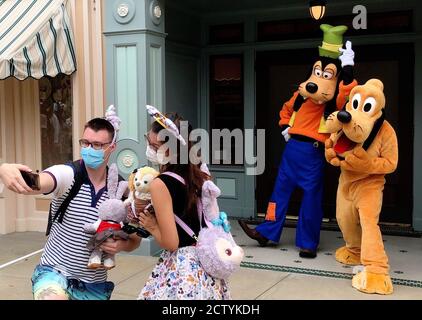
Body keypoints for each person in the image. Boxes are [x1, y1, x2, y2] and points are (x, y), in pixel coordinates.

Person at [239, 24, 358, 258]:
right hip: (292, 149)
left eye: (326, 75)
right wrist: (285, 127)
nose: (317, 80)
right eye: (317, 72)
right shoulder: (300, 97)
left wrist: (348, 70)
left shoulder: (332, 101)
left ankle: (308, 242)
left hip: (314, 153)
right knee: (278, 194)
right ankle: (266, 232)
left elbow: (346, 94)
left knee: (311, 199)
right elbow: (285, 111)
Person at [0, 108, 141, 300]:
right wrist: (6, 169)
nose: (89, 149)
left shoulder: (121, 191)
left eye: (98, 145)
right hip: (54, 272)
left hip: (94, 284)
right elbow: (40, 181)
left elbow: (135, 240)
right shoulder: (69, 174)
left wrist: (121, 247)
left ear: (112, 147)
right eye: (85, 143)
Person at [137, 112, 231, 300]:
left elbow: (171, 242)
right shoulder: (197, 173)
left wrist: (151, 226)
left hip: (182, 270)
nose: (150, 149)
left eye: (154, 146)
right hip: (204, 266)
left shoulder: (160, 184)